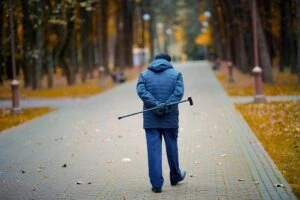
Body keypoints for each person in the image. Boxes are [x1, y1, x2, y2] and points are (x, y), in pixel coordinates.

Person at [136, 53, 186, 193]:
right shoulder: (176, 74)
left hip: (151, 119)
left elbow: (141, 91)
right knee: (172, 148)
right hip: (170, 119)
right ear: (168, 61)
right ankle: (176, 176)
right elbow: (178, 93)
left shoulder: (144, 75)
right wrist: (166, 106)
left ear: (155, 61)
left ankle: (156, 184)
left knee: (153, 152)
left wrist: (156, 105)